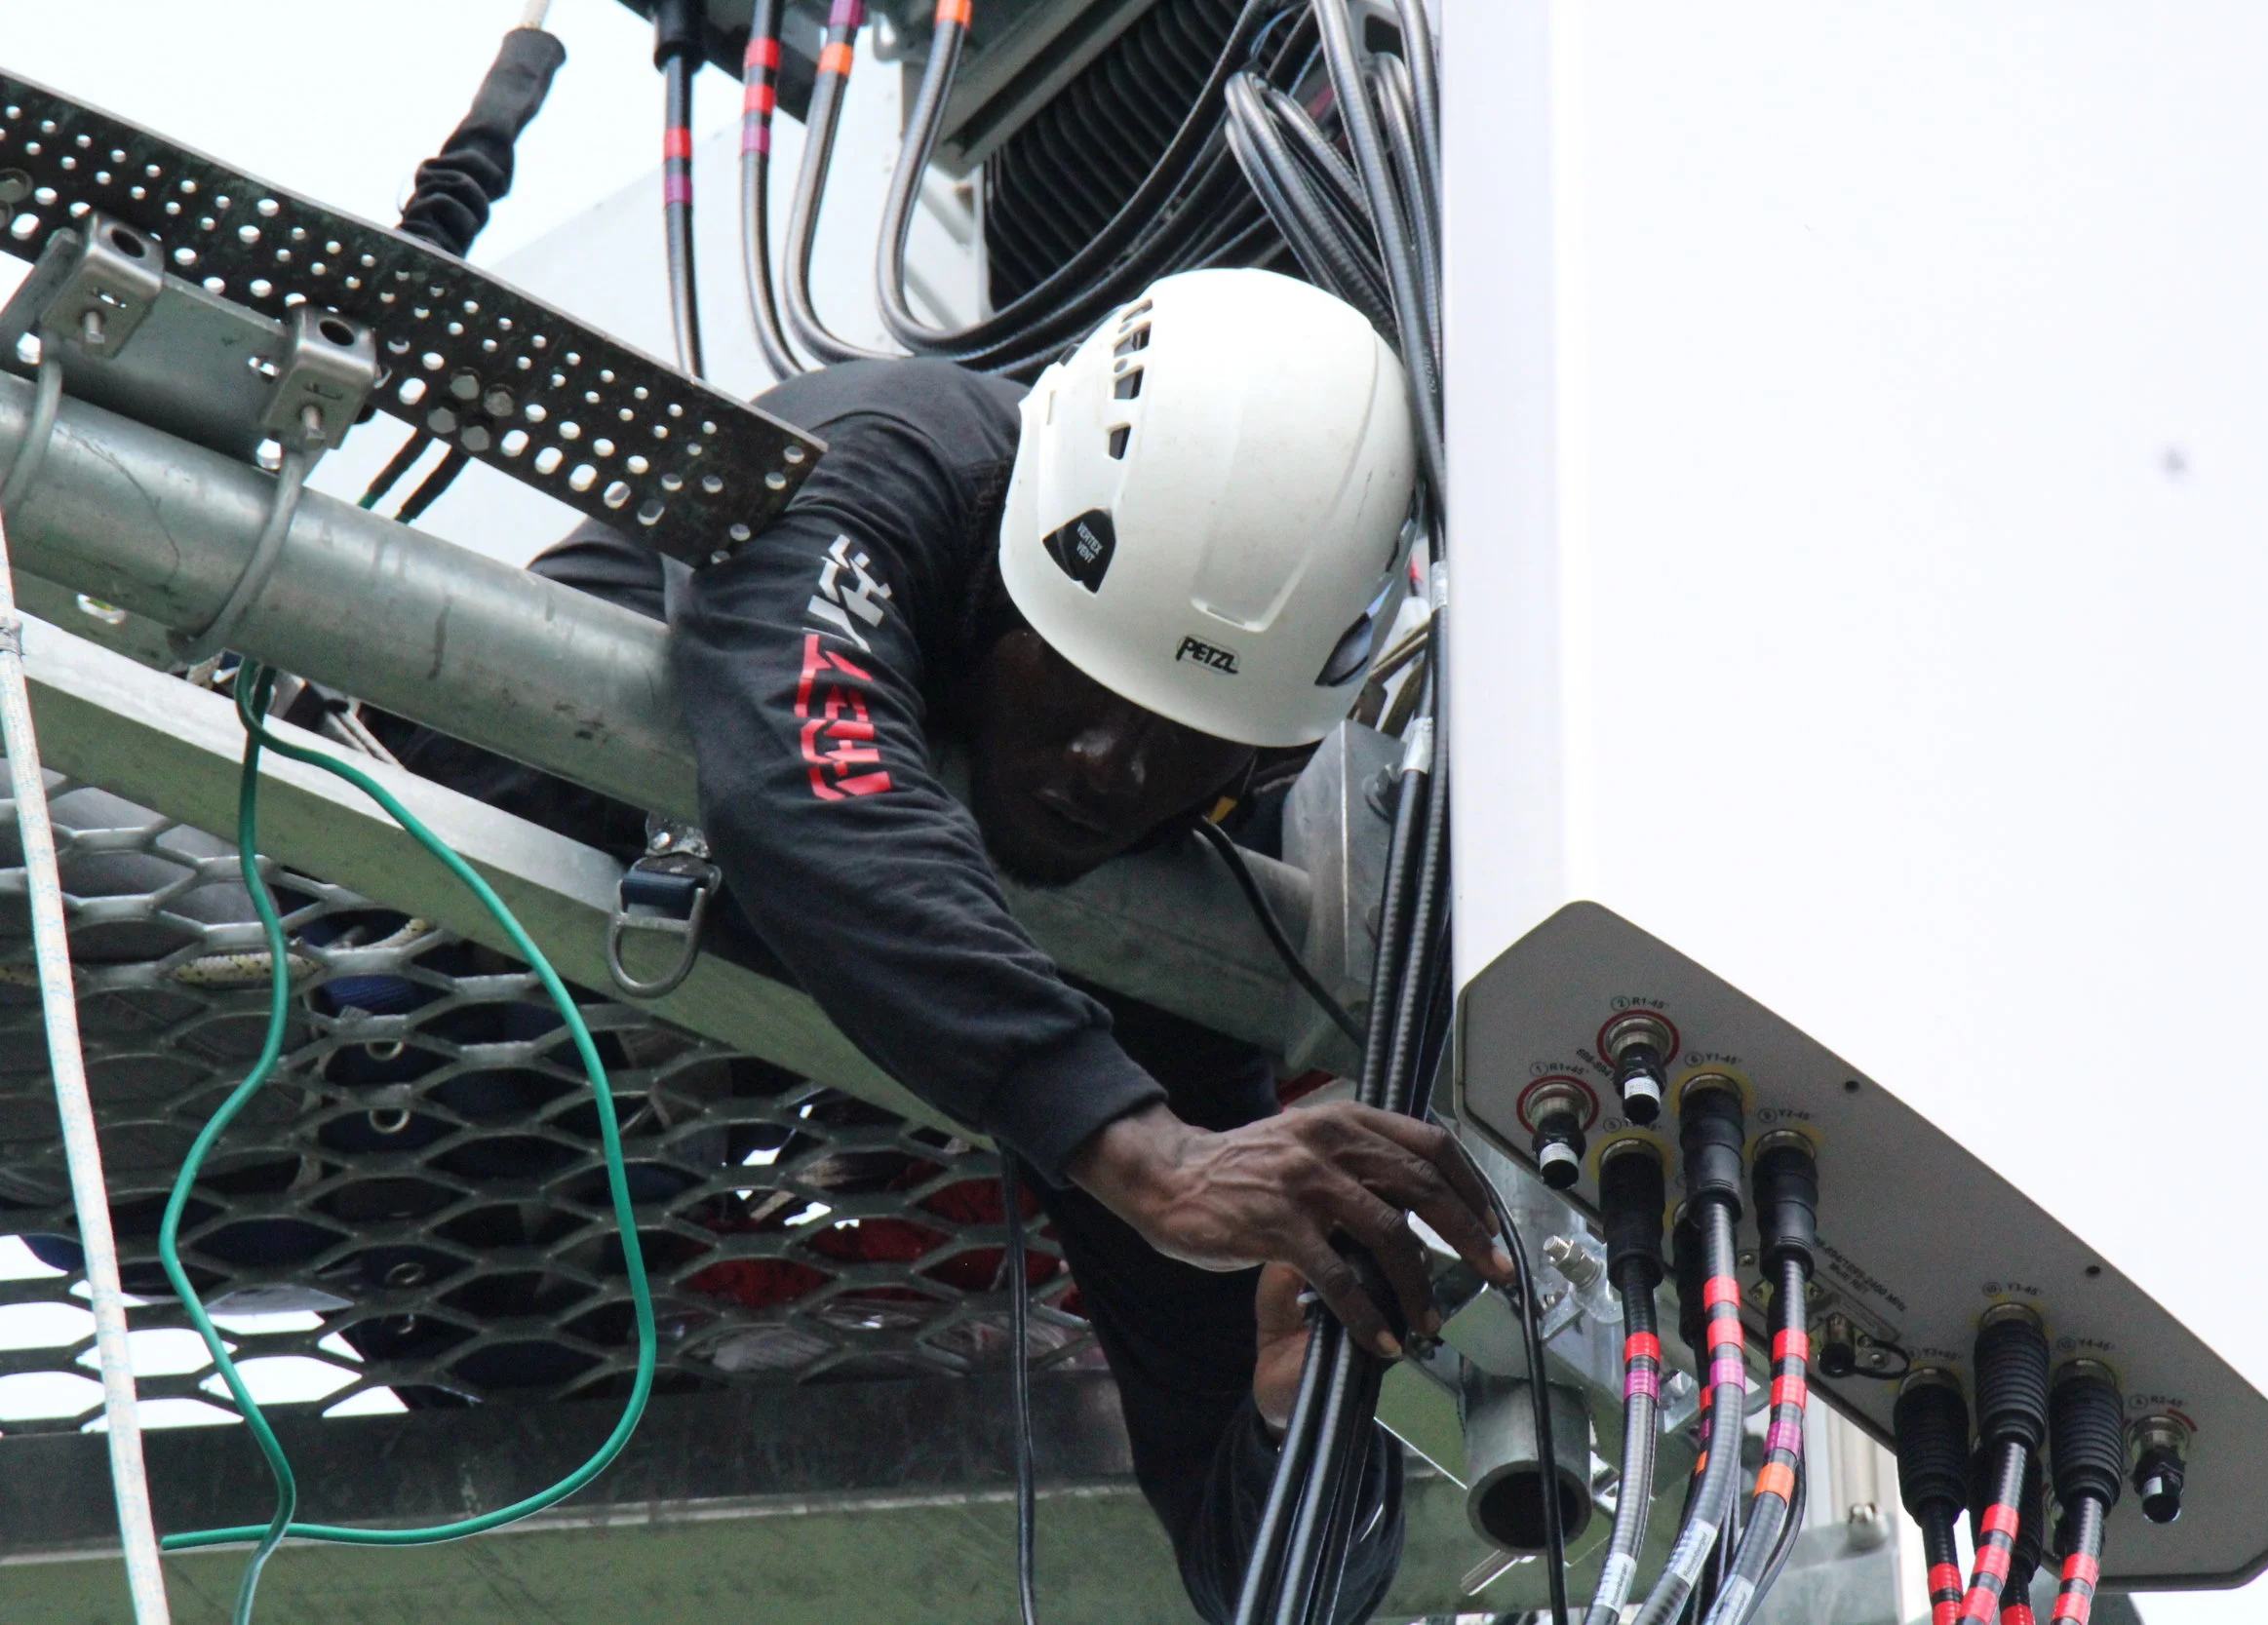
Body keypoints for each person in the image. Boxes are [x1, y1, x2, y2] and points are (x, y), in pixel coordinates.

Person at [384, 267, 1510, 1623]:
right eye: (1077, 676)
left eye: (1182, 744)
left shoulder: (1174, 932)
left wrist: (1294, 1398)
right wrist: (1143, 1155)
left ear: (1264, 753)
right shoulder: (894, 462)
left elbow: (1273, 1588)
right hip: (305, 943)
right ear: (1022, 558)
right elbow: (808, 778)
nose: (1107, 764)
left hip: (479, 1248)